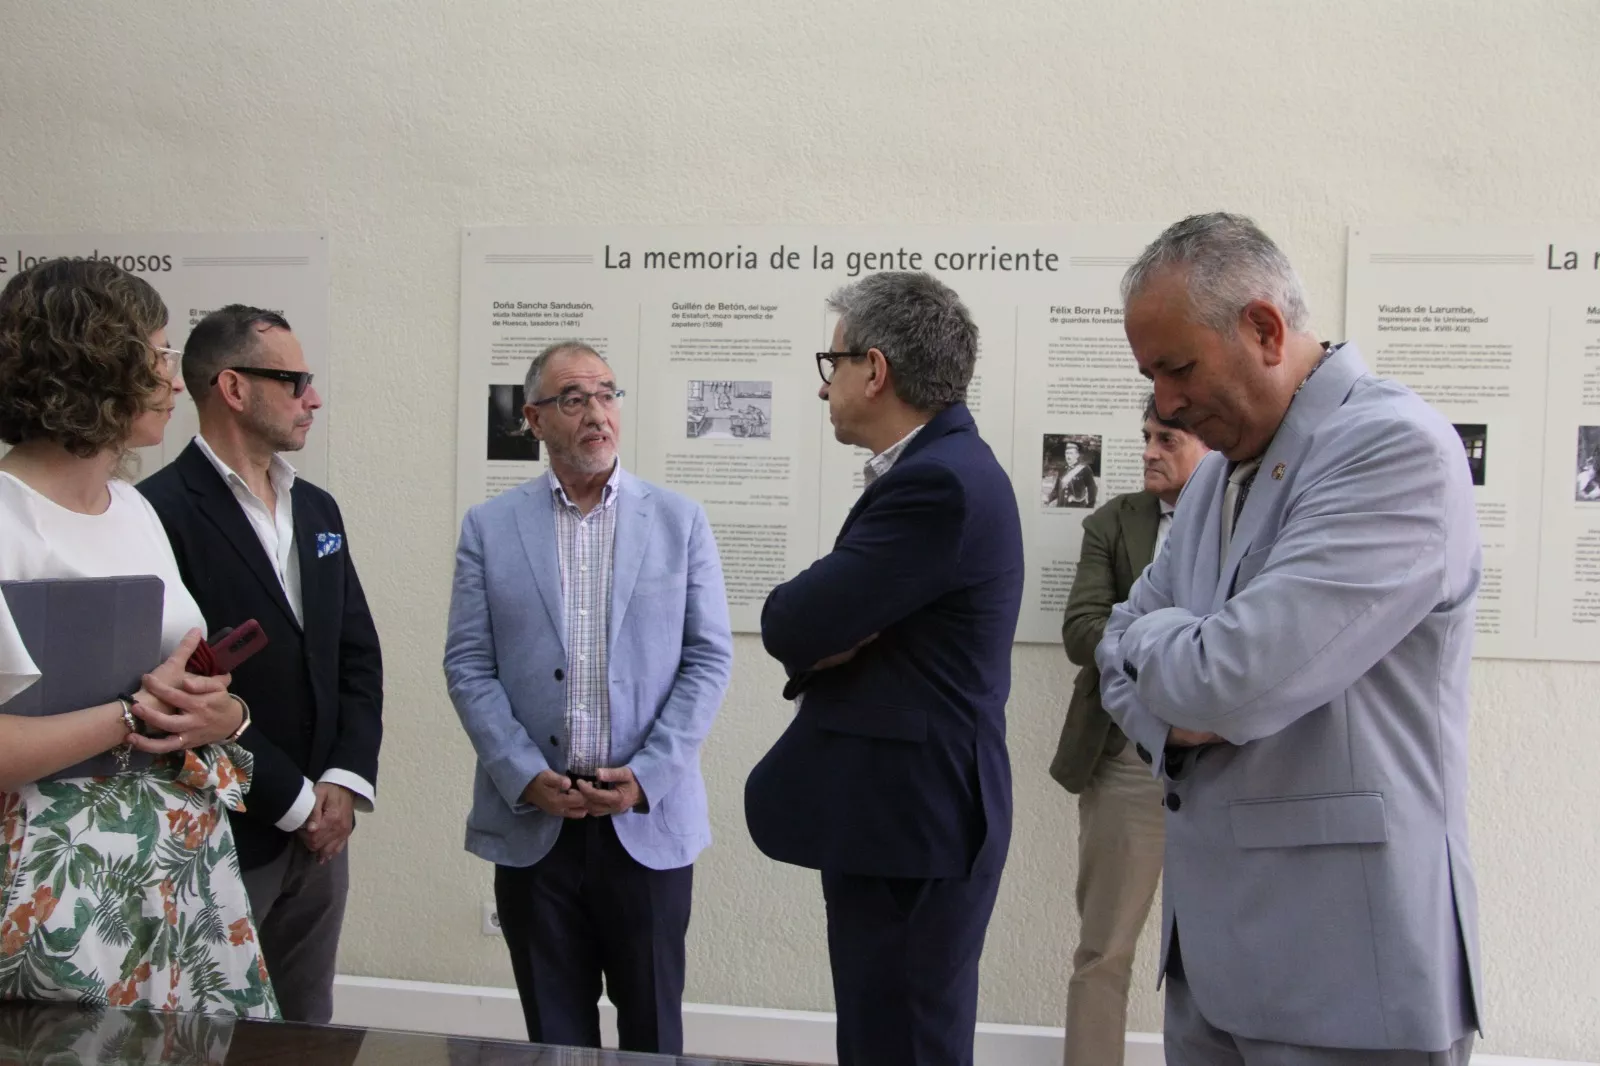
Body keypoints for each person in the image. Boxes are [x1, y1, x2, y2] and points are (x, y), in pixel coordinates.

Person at [1096, 213, 1480, 1065]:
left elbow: (1225, 683)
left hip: (1344, 975)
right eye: (1152, 376)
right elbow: (1116, 649)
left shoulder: (1391, 448)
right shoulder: (1213, 479)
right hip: (1213, 968)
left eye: (1178, 367)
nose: (1165, 403)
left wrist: (1180, 673)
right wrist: (1177, 691)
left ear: (1265, 329)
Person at [746, 272, 1023, 1066]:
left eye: (830, 363)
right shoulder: (938, 470)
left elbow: (792, 620)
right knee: (888, 1035)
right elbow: (826, 626)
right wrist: (835, 630)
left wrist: (829, 630)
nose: (825, 385)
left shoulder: (937, 483)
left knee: (901, 1044)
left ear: (874, 368)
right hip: (905, 817)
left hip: (915, 822)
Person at [0, 259, 277, 1018]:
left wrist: (221, 715)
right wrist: (132, 717)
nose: (169, 378)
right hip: (52, 885)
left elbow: (185, 675)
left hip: (170, 870)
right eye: (156, 353)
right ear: (93, 361)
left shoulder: (133, 509)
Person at [444, 342, 733, 1055]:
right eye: (574, 399)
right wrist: (519, 774)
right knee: (555, 1038)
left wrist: (649, 777)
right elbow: (468, 666)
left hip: (645, 822)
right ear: (535, 420)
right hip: (535, 825)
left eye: (607, 394)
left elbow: (707, 659)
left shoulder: (679, 521)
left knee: (653, 1032)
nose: (597, 413)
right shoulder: (489, 528)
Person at [139, 305, 383, 1024]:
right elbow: (173, 701)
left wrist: (342, 783)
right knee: (209, 1034)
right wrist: (297, 801)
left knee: (307, 1030)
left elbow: (356, 656)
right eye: (295, 380)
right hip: (219, 831)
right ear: (234, 388)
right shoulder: (156, 514)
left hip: (325, 836)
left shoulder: (318, 510)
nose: (313, 397)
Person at [1049, 395, 1208, 1066]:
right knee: (1105, 948)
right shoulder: (1114, 521)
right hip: (1126, 760)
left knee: (1221, 953)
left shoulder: (1250, 522)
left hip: (1233, 766)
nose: (1148, 449)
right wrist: (1178, 648)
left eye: (1167, 438)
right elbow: (1082, 629)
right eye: (1146, 435)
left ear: (1211, 444)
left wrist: (1134, 635)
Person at [1048, 441, 1097, 508]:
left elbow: (1092, 489)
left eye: (1071, 453)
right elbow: (1057, 489)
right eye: (1067, 453)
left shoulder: (1085, 469)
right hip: (1061, 506)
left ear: (1077, 455)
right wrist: (1049, 500)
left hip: (1077, 507)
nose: (1068, 456)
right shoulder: (1062, 469)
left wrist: (1090, 506)